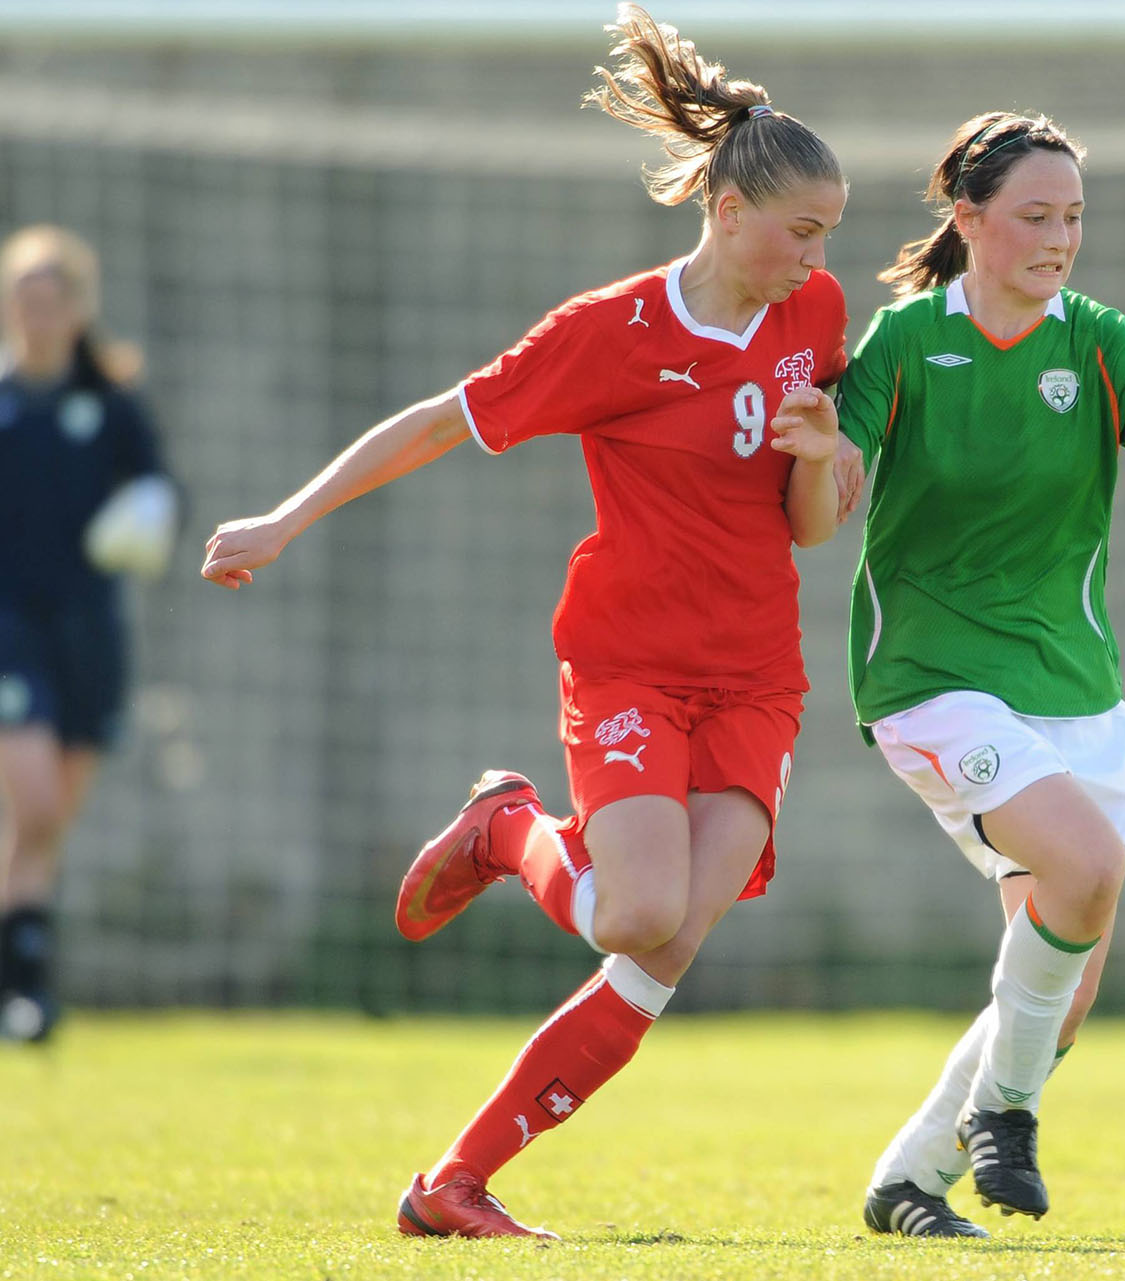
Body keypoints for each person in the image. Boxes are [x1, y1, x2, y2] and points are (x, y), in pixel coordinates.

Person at [200, 4, 848, 1240]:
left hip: (759, 674)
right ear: (726, 213)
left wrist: (825, 454)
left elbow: (816, 523)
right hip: (629, 665)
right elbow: (442, 420)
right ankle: (506, 829)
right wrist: (286, 520)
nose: (817, 260)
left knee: (665, 951)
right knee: (632, 914)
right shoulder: (610, 333)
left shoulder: (812, 324)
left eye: (829, 234)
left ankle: (454, 1183)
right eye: (801, 231)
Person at [833, 112, 1125, 1238]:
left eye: (1073, 216)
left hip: (1077, 696)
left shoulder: (1101, 343)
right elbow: (826, 491)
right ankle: (1006, 1123)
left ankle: (906, 1182)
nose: (1059, 237)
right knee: (1085, 863)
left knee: (1058, 999)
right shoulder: (905, 343)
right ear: (969, 221)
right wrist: (812, 453)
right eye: (1034, 215)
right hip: (929, 682)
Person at [0, 225, 178, 1044]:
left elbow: (157, 491)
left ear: (77, 308)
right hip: (10, 627)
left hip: (89, 633)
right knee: (30, 799)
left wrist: (148, 516)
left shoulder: (110, 406)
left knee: (47, 822)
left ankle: (25, 988)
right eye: (24, 295)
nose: (38, 311)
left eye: (52, 296)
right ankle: (25, 984)